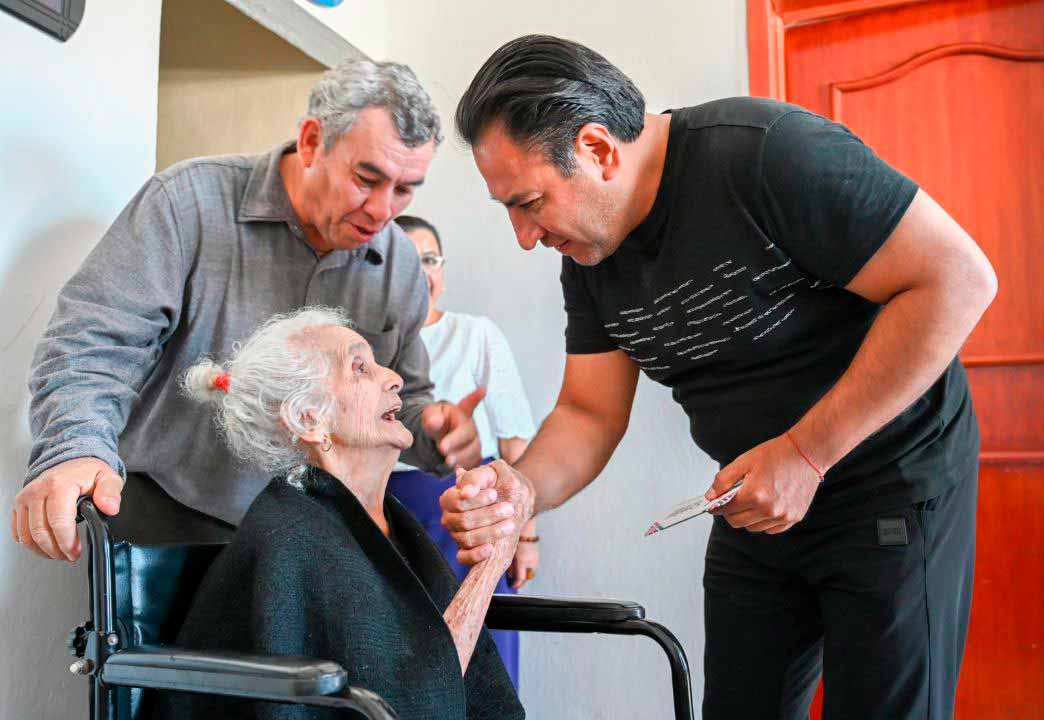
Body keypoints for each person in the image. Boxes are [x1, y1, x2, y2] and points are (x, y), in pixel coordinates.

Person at [440, 35, 998, 719]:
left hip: (890, 484)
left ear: (597, 149)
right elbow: (588, 413)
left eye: (529, 203)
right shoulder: (589, 254)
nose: (525, 236)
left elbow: (957, 279)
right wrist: (521, 491)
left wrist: (806, 453)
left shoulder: (768, 155)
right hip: (753, 496)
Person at [14, 58, 484, 559]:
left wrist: (434, 432)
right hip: (167, 519)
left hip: (312, 538)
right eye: (366, 179)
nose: (383, 210)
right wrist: (76, 447)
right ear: (311, 141)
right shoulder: (186, 204)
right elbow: (92, 345)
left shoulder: (400, 266)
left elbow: (402, 398)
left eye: (405, 189)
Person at [149, 307, 525, 720]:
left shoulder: (378, 520)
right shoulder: (294, 538)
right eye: (360, 368)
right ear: (308, 418)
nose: (394, 378)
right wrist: (491, 562)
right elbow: (410, 706)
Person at [388, 214, 538, 689]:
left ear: (444, 271)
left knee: (483, 656)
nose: (421, 273)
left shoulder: (476, 334)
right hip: (389, 518)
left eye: (430, 259)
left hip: (475, 516)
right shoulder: (368, 342)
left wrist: (526, 535)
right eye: (406, 260)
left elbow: (514, 442)